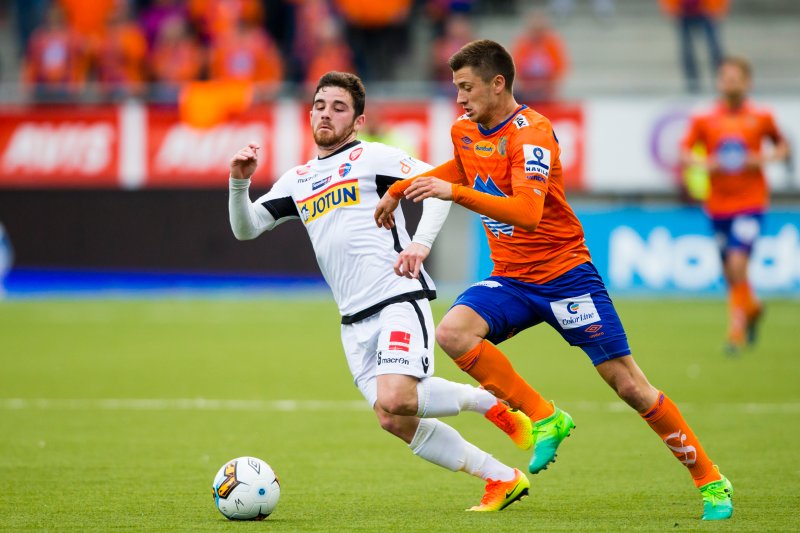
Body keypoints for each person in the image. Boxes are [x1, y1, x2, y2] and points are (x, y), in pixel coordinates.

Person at [375, 40, 734, 521]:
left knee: (629, 385)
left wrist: (454, 193)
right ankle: (546, 417)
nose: (459, 98)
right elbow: (461, 168)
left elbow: (527, 212)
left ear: (498, 83)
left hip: (566, 278)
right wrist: (400, 189)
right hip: (512, 279)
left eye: (467, 87)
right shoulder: (465, 129)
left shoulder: (533, 134)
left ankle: (710, 480)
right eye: (456, 87)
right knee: (453, 333)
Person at [227, 71, 533, 512]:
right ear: (309, 113)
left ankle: (492, 403)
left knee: (396, 396)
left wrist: (419, 245)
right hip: (352, 321)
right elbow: (247, 228)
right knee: (392, 418)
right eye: (320, 105)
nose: (326, 114)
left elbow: (441, 190)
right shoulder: (297, 181)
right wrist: (239, 183)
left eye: (338, 107)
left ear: (357, 120)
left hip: (396, 297)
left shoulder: (374, 158)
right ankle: (502, 478)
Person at [680, 57, 789, 353]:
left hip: (750, 202)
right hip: (718, 205)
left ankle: (736, 332)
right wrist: (706, 163)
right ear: (718, 82)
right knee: (730, 272)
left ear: (747, 82)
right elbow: (684, 152)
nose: (729, 82)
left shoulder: (761, 117)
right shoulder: (705, 119)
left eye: (735, 77)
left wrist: (764, 159)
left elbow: (782, 145)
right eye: (724, 77)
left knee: (739, 263)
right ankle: (752, 308)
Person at [659, 0, 728, 93]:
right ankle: (692, 83)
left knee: (714, 48)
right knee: (687, 50)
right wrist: (670, 8)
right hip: (683, 12)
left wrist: (719, 8)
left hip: (707, 10)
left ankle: (722, 79)